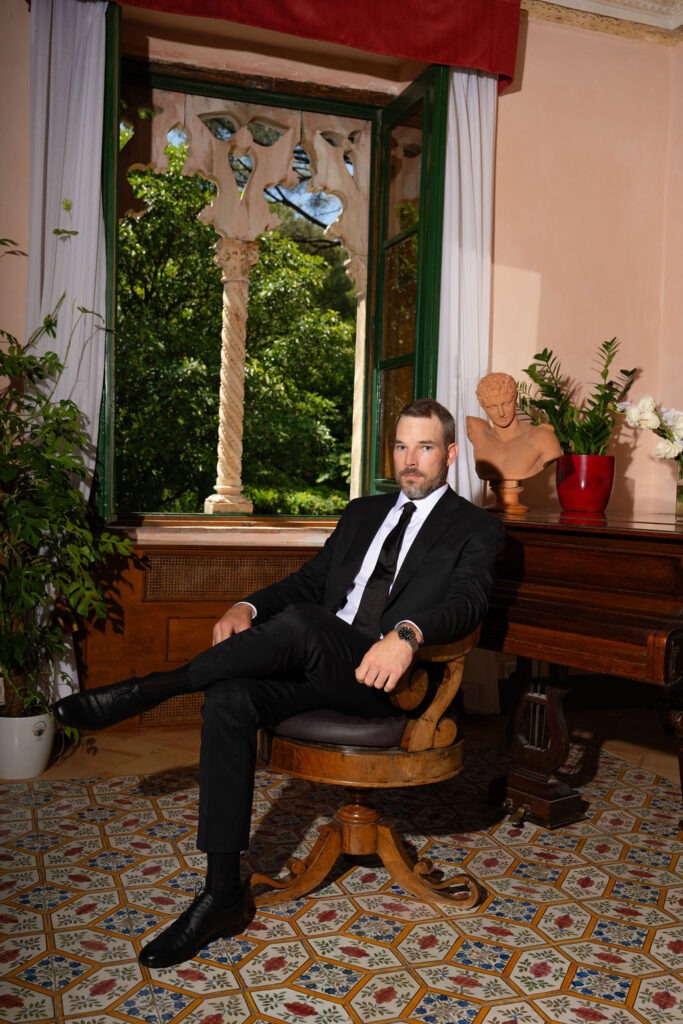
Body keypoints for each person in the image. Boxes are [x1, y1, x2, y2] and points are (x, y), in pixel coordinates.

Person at [54, 398, 506, 969]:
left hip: (384, 678)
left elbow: (469, 602)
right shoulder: (364, 512)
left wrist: (409, 633)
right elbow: (310, 581)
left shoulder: (474, 528)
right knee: (229, 695)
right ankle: (219, 894)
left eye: (425, 447)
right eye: (400, 446)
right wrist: (246, 604)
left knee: (304, 624)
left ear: (450, 454)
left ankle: (154, 689)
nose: (410, 460)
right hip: (316, 664)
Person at [466, 372, 562, 483]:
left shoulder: (542, 438)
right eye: (492, 406)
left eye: (506, 404)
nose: (501, 413)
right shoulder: (481, 439)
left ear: (515, 398)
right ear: (483, 406)